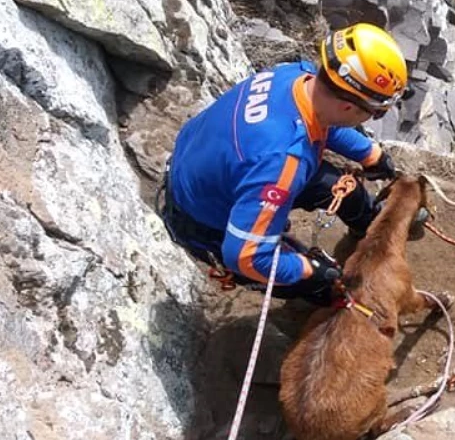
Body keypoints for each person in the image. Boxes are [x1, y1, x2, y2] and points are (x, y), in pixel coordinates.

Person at [159, 23, 411, 305]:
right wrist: (308, 268)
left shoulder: (295, 76)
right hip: (204, 219)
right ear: (349, 107)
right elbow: (245, 256)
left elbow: (326, 118)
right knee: (318, 279)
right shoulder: (282, 163)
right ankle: (322, 293)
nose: (371, 119)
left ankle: (370, 224)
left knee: (343, 191)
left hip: (210, 165)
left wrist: (368, 153)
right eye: (375, 113)